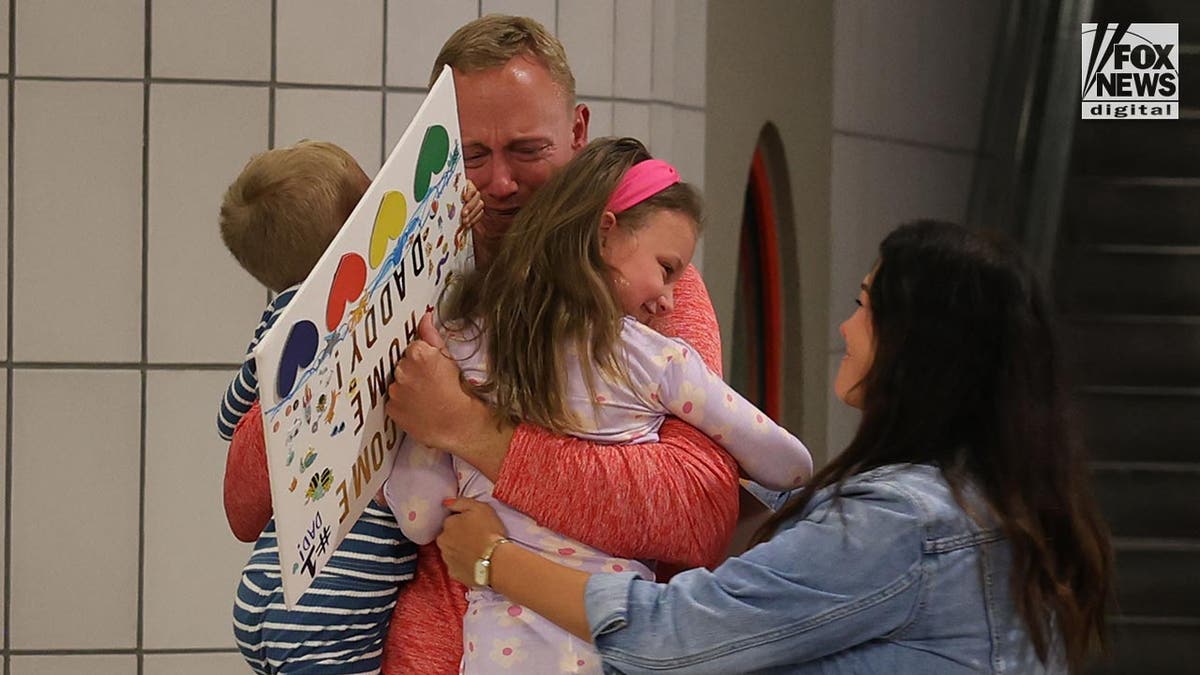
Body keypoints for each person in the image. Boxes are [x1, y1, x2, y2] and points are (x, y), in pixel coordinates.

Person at [222, 15, 742, 674]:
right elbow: (245, 503)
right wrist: (359, 323)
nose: (500, 183)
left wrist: (468, 427)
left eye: (528, 150)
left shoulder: (646, 282)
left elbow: (698, 515)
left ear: (578, 133)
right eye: (472, 154)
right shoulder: (403, 269)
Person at [437, 220, 1114, 673]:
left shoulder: (900, 522)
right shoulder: (995, 502)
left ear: (919, 346)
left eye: (865, 305)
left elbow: (675, 637)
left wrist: (495, 559)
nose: (846, 328)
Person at [384, 137, 813, 673]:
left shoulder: (462, 348)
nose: (670, 300)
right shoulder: (655, 360)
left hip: (498, 649)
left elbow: (419, 517)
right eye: (667, 269)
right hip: (607, 635)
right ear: (605, 233)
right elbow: (790, 463)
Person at [216, 140, 481, 673]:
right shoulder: (373, 315)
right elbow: (439, 294)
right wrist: (455, 219)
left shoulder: (279, 326)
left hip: (268, 580)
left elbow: (229, 419)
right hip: (338, 597)